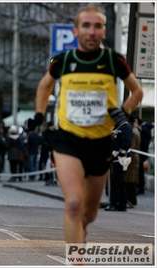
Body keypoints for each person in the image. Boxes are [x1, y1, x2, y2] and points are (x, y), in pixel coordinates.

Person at [24, 5, 143, 247]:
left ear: (103, 31)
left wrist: (123, 113)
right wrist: (38, 114)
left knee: (89, 213)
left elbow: (137, 91)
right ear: (76, 31)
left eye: (97, 26)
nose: (91, 31)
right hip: (68, 139)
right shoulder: (63, 60)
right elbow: (44, 86)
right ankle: (76, 258)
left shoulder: (113, 59)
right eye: (86, 26)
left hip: (100, 143)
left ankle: (80, 228)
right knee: (74, 203)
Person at [105, 119, 132, 212]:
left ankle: (115, 203)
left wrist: (120, 153)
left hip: (121, 158)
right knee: (118, 181)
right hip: (115, 157)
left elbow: (127, 142)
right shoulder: (118, 127)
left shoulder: (125, 127)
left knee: (116, 181)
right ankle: (121, 203)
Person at [124, 116, 141, 208]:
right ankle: (132, 199)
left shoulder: (132, 131)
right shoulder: (136, 130)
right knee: (132, 179)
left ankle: (130, 200)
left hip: (132, 157)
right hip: (135, 157)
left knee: (129, 179)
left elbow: (132, 145)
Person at [137, 119, 154, 194]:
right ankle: (141, 187)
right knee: (141, 171)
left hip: (140, 153)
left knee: (140, 171)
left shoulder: (143, 130)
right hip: (143, 153)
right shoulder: (148, 131)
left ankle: (140, 187)